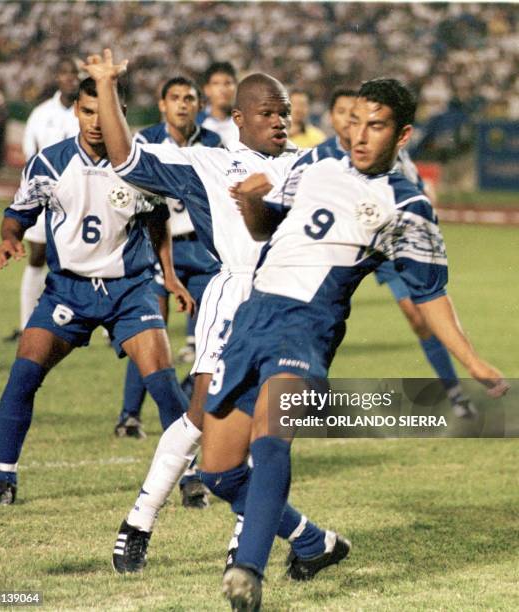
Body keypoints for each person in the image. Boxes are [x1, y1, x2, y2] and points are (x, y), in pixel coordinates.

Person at [199, 78, 510, 610]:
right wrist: (252, 203)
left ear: (403, 134)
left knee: (271, 439)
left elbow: (431, 294)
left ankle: (247, 573)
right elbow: (268, 229)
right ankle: (312, 541)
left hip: (308, 328)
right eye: (356, 122)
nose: (360, 135)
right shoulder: (314, 167)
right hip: (252, 319)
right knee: (219, 472)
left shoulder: (406, 205)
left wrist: (472, 361)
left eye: (377, 125)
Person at [84, 50, 343, 579]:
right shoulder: (208, 162)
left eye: (285, 111)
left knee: (264, 432)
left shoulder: (308, 164)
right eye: (268, 112)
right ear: (239, 117)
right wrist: (107, 85)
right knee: (203, 419)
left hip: (294, 305)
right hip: (234, 298)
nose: (279, 120)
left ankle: (246, 545)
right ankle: (141, 519)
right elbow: (125, 158)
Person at [0, 77, 194, 508]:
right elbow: (17, 213)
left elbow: (157, 223)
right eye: (87, 111)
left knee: (164, 382)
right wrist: (10, 237)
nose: (96, 122)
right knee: (23, 374)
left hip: (129, 290)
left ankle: (190, 480)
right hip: (68, 291)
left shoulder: (140, 166)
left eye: (105, 112)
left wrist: (168, 276)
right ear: (76, 111)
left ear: (121, 114)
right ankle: (5, 480)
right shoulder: (50, 164)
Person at [327, 86, 477, 418]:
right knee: (322, 322)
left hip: (387, 242)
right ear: (333, 118)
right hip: (338, 248)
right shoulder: (322, 158)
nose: (353, 125)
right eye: (345, 115)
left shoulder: (392, 154)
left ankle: (454, 391)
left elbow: (414, 190)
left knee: (420, 317)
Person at [115, 75, 221, 508]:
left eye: (189, 98)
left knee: (204, 341)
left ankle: (189, 414)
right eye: (175, 97)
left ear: (198, 104)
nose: (183, 104)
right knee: (151, 330)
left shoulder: (213, 141)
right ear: (162, 104)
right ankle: (129, 413)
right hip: (162, 248)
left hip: (203, 247)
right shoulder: (146, 141)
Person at [4, 57, 80, 343]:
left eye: (75, 72)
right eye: (65, 72)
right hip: (45, 196)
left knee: (79, 259)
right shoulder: (40, 113)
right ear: (57, 77)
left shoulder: (84, 110)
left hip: (78, 198)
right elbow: (29, 154)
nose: (71, 77)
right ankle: (26, 324)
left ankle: (89, 324)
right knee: (36, 257)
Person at [197, 61, 239, 148]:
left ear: (236, 87)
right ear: (207, 89)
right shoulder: (196, 123)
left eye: (228, 83)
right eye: (216, 83)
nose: (222, 90)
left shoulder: (246, 123)